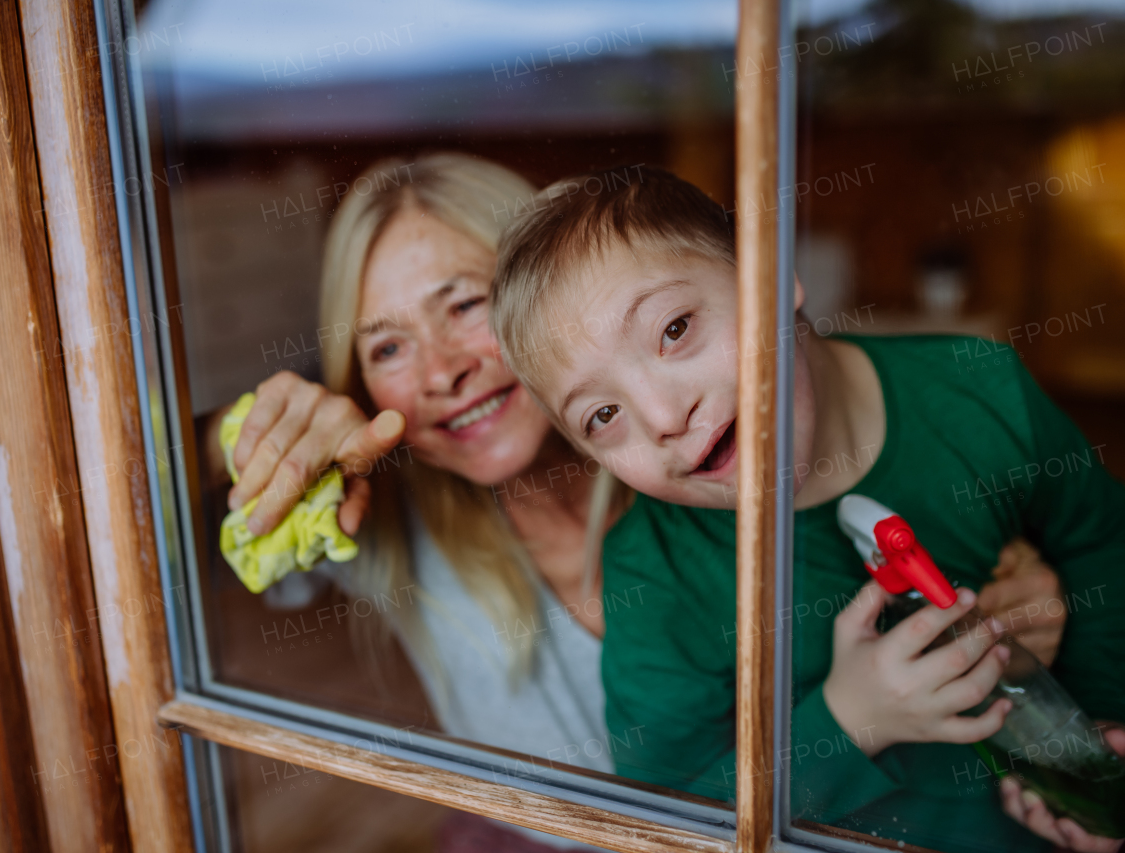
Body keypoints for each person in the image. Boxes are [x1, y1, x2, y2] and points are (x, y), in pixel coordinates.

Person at [224, 153, 1070, 852]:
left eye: (467, 305)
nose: (442, 370)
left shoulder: (746, 463)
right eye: (388, 345)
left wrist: (1011, 601)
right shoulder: (384, 522)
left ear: (551, 300)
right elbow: (171, 492)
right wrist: (256, 439)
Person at [488, 165, 1125, 853]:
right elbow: (664, 821)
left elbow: (1104, 549)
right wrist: (850, 721)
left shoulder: (981, 389)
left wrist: (1091, 741)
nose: (665, 415)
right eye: (603, 414)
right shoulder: (654, 570)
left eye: (675, 329)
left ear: (771, 279)